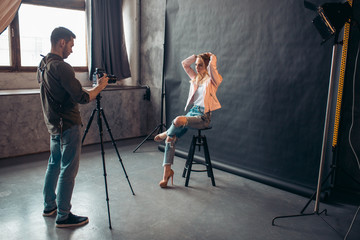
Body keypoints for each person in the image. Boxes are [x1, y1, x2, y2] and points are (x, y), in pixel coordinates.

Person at [37, 27, 109, 228]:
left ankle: (49, 206)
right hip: (68, 124)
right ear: (62, 42)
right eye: (71, 45)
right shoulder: (62, 67)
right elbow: (82, 97)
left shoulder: (43, 65)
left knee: (54, 164)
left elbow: (59, 92)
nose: (71, 49)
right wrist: (100, 87)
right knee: (68, 169)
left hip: (54, 125)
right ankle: (63, 215)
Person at [154, 52, 223, 188]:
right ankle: (166, 173)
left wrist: (212, 57)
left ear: (207, 65)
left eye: (200, 65)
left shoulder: (213, 80)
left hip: (203, 117)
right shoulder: (196, 78)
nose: (197, 68)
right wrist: (195, 56)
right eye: (196, 65)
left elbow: (213, 69)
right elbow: (185, 64)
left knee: (178, 120)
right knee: (170, 139)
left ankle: (165, 133)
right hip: (193, 112)